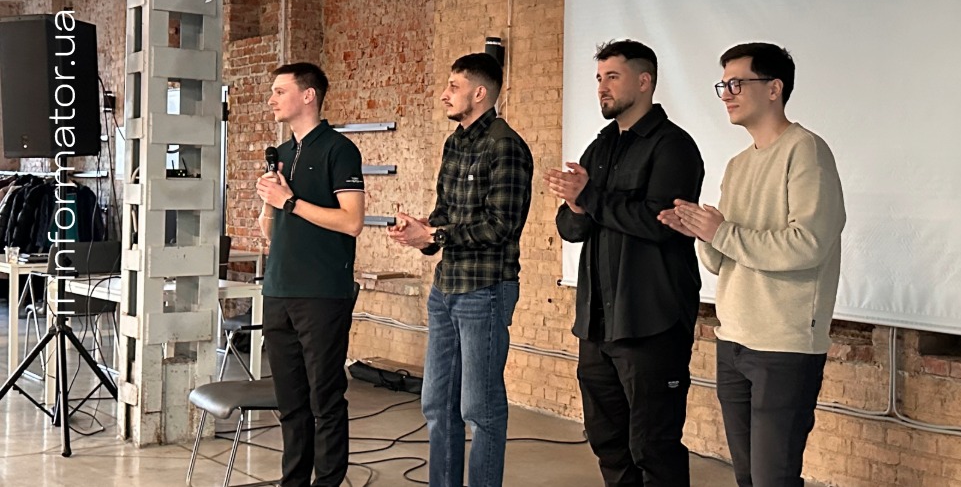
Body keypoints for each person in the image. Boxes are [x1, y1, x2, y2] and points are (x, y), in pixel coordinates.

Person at [660, 42, 846, 487]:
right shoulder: (738, 164)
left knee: (772, 479)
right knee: (747, 477)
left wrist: (721, 233)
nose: (727, 93)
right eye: (723, 84)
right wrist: (701, 233)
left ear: (774, 89)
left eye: (738, 83)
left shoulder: (806, 150)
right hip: (733, 339)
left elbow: (808, 245)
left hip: (784, 344)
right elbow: (723, 261)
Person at [547, 40, 704, 487]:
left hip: (651, 323)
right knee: (606, 440)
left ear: (644, 81)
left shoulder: (674, 147)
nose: (602, 88)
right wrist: (576, 205)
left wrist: (590, 198)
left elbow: (660, 223)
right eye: (599, 78)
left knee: (653, 446)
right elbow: (571, 228)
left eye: (612, 77)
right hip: (598, 325)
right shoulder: (600, 148)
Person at [390, 53, 534, 487]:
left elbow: (501, 225)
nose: (444, 94)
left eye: (454, 86)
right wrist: (421, 232)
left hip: (485, 290)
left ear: (480, 93)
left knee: (480, 409)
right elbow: (444, 215)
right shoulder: (455, 143)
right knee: (437, 404)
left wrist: (436, 234)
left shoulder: (506, 146)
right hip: (446, 289)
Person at [256, 62, 366, 487]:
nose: (271, 99)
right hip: (278, 289)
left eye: (279, 91)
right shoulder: (282, 155)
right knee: (290, 403)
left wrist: (289, 202)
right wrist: (269, 200)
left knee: (325, 398)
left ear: (308, 96)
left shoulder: (339, 150)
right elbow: (271, 231)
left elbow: (352, 221)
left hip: (322, 293)